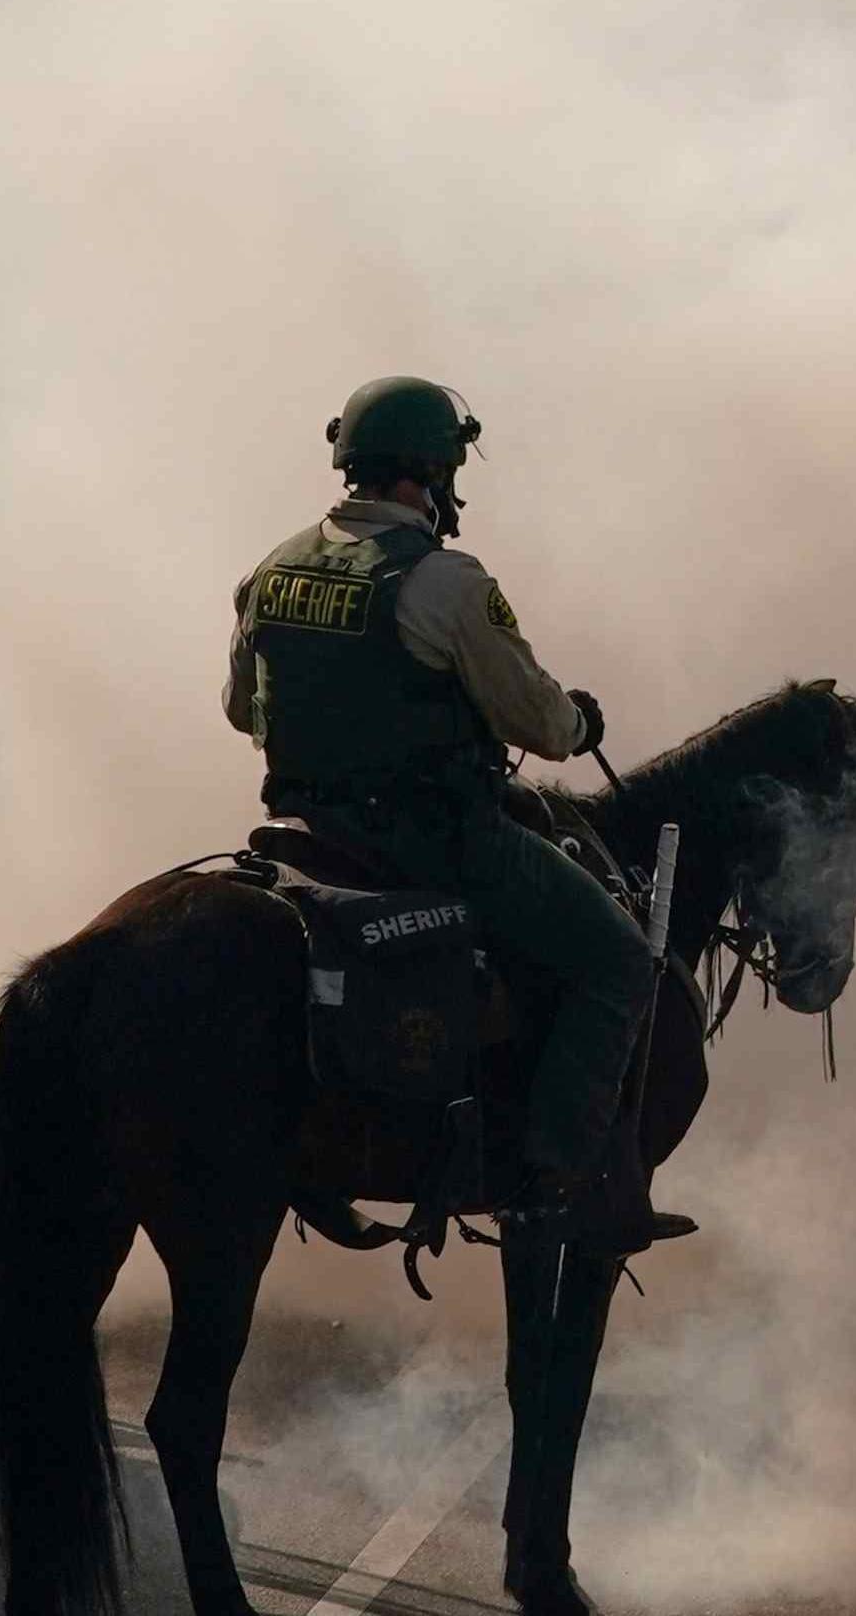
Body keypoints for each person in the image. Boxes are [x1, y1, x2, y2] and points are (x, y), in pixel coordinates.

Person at [221, 377, 659, 1217]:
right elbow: (539, 718)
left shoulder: (268, 572)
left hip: (298, 833)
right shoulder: (446, 580)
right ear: (433, 472)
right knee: (620, 961)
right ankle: (557, 1180)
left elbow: (244, 711)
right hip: (430, 837)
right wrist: (577, 722)